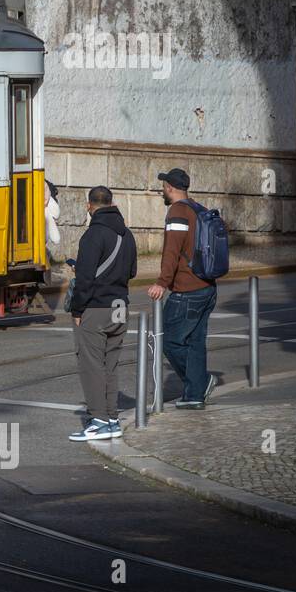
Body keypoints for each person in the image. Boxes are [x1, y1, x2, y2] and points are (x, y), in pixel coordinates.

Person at [68, 186, 138, 441]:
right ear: (112, 203)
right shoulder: (127, 235)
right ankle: (111, 419)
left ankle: (97, 419)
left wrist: (77, 309)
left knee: (91, 365)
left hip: (97, 307)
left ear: (90, 206)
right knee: (110, 365)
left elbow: (85, 278)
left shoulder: (93, 235)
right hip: (121, 307)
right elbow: (131, 272)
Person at [148, 168, 218, 409]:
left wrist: (162, 282)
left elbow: (172, 251)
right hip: (207, 286)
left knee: (169, 341)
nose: (162, 191)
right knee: (196, 342)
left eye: (163, 186)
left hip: (187, 290)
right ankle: (194, 395)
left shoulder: (177, 212)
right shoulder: (198, 209)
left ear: (170, 187)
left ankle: (200, 382)